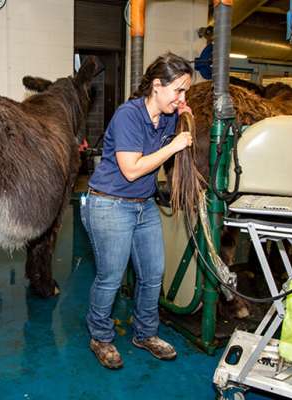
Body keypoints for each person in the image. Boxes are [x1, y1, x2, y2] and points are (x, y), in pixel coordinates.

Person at [80, 52, 194, 369]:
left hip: (143, 205)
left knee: (153, 274)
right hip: (109, 203)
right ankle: (100, 337)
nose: (181, 97)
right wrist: (173, 146)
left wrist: (182, 113)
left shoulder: (168, 115)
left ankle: (145, 333)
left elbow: (170, 134)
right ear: (157, 86)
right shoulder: (128, 115)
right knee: (111, 277)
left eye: (185, 91)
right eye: (178, 90)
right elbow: (131, 170)